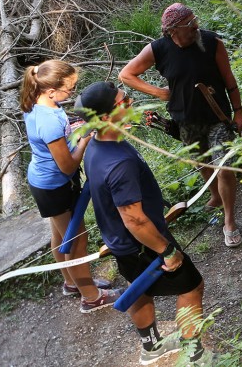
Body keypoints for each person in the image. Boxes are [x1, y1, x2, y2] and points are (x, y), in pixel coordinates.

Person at [77, 82, 208, 365]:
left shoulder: (97, 145)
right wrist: (167, 252)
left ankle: (152, 348)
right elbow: (134, 219)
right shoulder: (118, 162)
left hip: (122, 244)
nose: (132, 103)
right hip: (144, 243)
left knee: (140, 290)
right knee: (192, 287)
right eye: (125, 101)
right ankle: (193, 353)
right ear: (106, 117)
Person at [119, 3, 242, 248]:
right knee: (200, 161)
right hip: (184, 119)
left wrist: (238, 112)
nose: (195, 26)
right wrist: (157, 92)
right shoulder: (158, 49)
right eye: (189, 24)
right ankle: (216, 195)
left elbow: (229, 79)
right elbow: (126, 74)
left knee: (225, 167)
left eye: (194, 20)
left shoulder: (212, 42)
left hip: (218, 117)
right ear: (173, 30)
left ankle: (229, 220)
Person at [20, 59, 120, 313]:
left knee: (60, 236)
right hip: (55, 186)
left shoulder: (36, 104)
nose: (72, 93)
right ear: (51, 90)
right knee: (77, 240)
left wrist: (73, 132)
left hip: (43, 181)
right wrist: (85, 138)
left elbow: (56, 143)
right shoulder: (49, 121)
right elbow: (67, 166)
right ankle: (91, 297)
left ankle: (71, 282)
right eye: (69, 88)